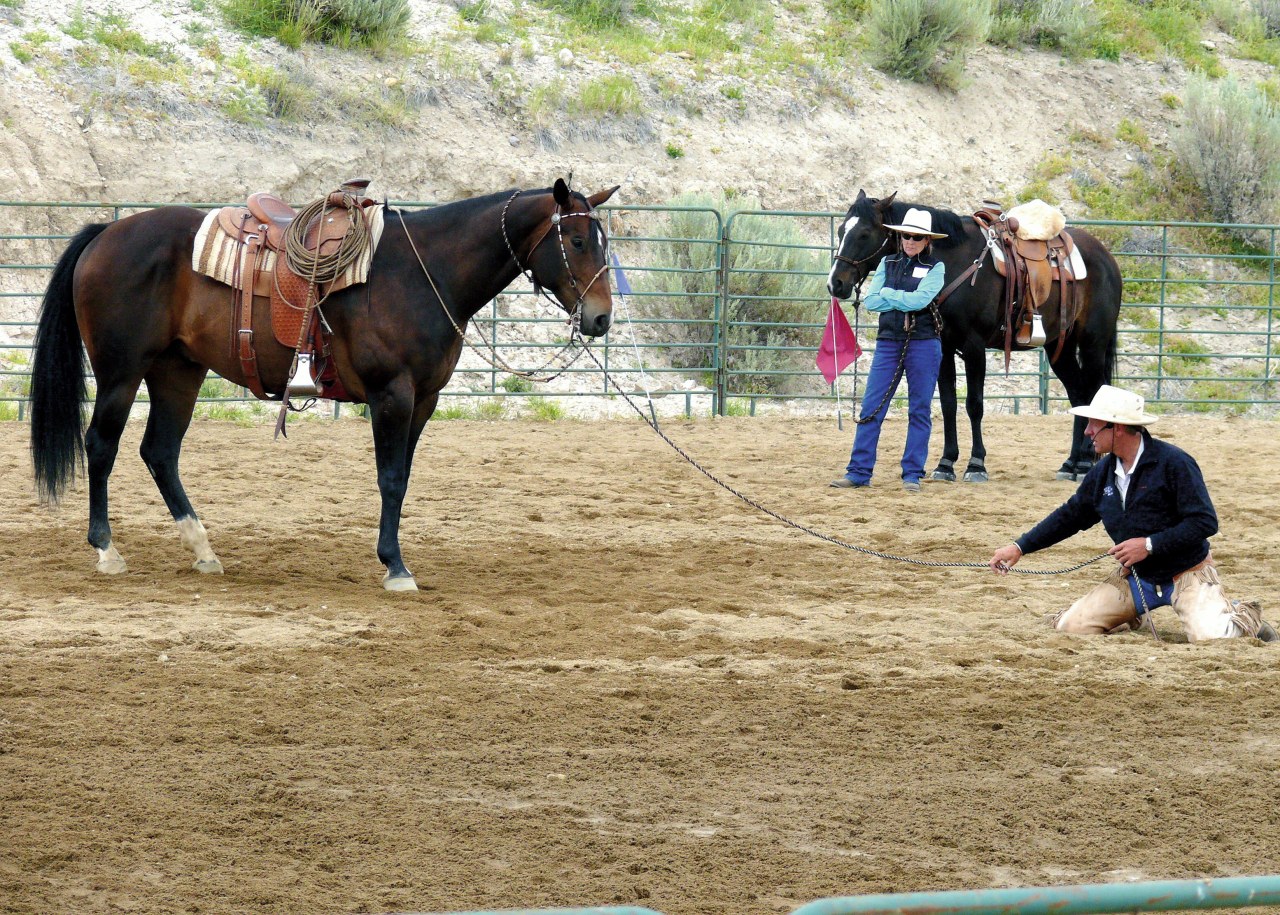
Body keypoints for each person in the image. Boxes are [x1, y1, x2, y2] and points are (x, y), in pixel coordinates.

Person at [989, 385, 1275, 642]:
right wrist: (1019, 547)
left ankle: (1241, 615)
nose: (1087, 431)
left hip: (1188, 574)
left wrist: (1149, 545)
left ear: (1118, 428)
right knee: (1072, 626)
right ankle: (1129, 613)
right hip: (1137, 577)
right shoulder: (1102, 472)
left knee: (1213, 638)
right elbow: (1071, 516)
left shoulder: (1175, 463)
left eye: (1093, 423)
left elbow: (1204, 522)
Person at [830, 208, 946, 493]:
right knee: (871, 407)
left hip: (923, 343)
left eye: (917, 237)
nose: (910, 241)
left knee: (919, 409)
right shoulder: (887, 263)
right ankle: (858, 472)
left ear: (926, 240)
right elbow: (871, 302)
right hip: (888, 343)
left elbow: (920, 301)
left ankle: (912, 474)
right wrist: (898, 300)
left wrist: (889, 295)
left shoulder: (936, 268)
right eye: (906, 235)